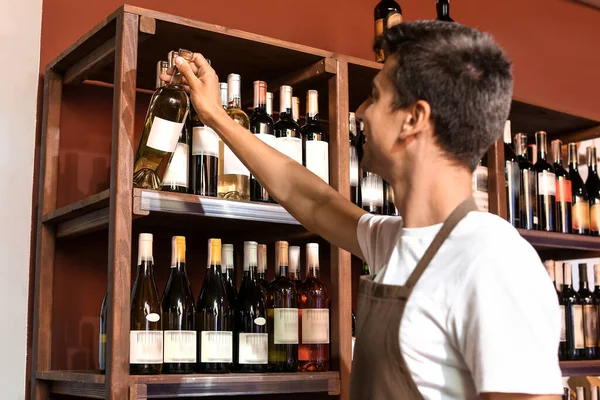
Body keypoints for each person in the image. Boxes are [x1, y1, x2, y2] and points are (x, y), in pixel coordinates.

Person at [170, 21, 562, 400]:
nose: (360, 111)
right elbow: (312, 200)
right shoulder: (397, 241)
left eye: (375, 96)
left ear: (413, 119)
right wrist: (216, 117)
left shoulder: (492, 260)